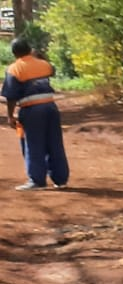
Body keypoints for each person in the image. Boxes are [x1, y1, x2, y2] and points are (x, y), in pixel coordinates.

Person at [3, 38, 68, 191]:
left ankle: (37, 180)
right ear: (29, 49)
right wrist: (36, 57)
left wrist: (10, 115)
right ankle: (60, 179)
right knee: (55, 143)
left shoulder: (14, 69)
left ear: (14, 53)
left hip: (31, 109)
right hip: (50, 107)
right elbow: (52, 70)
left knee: (33, 144)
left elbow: (11, 96)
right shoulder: (43, 64)